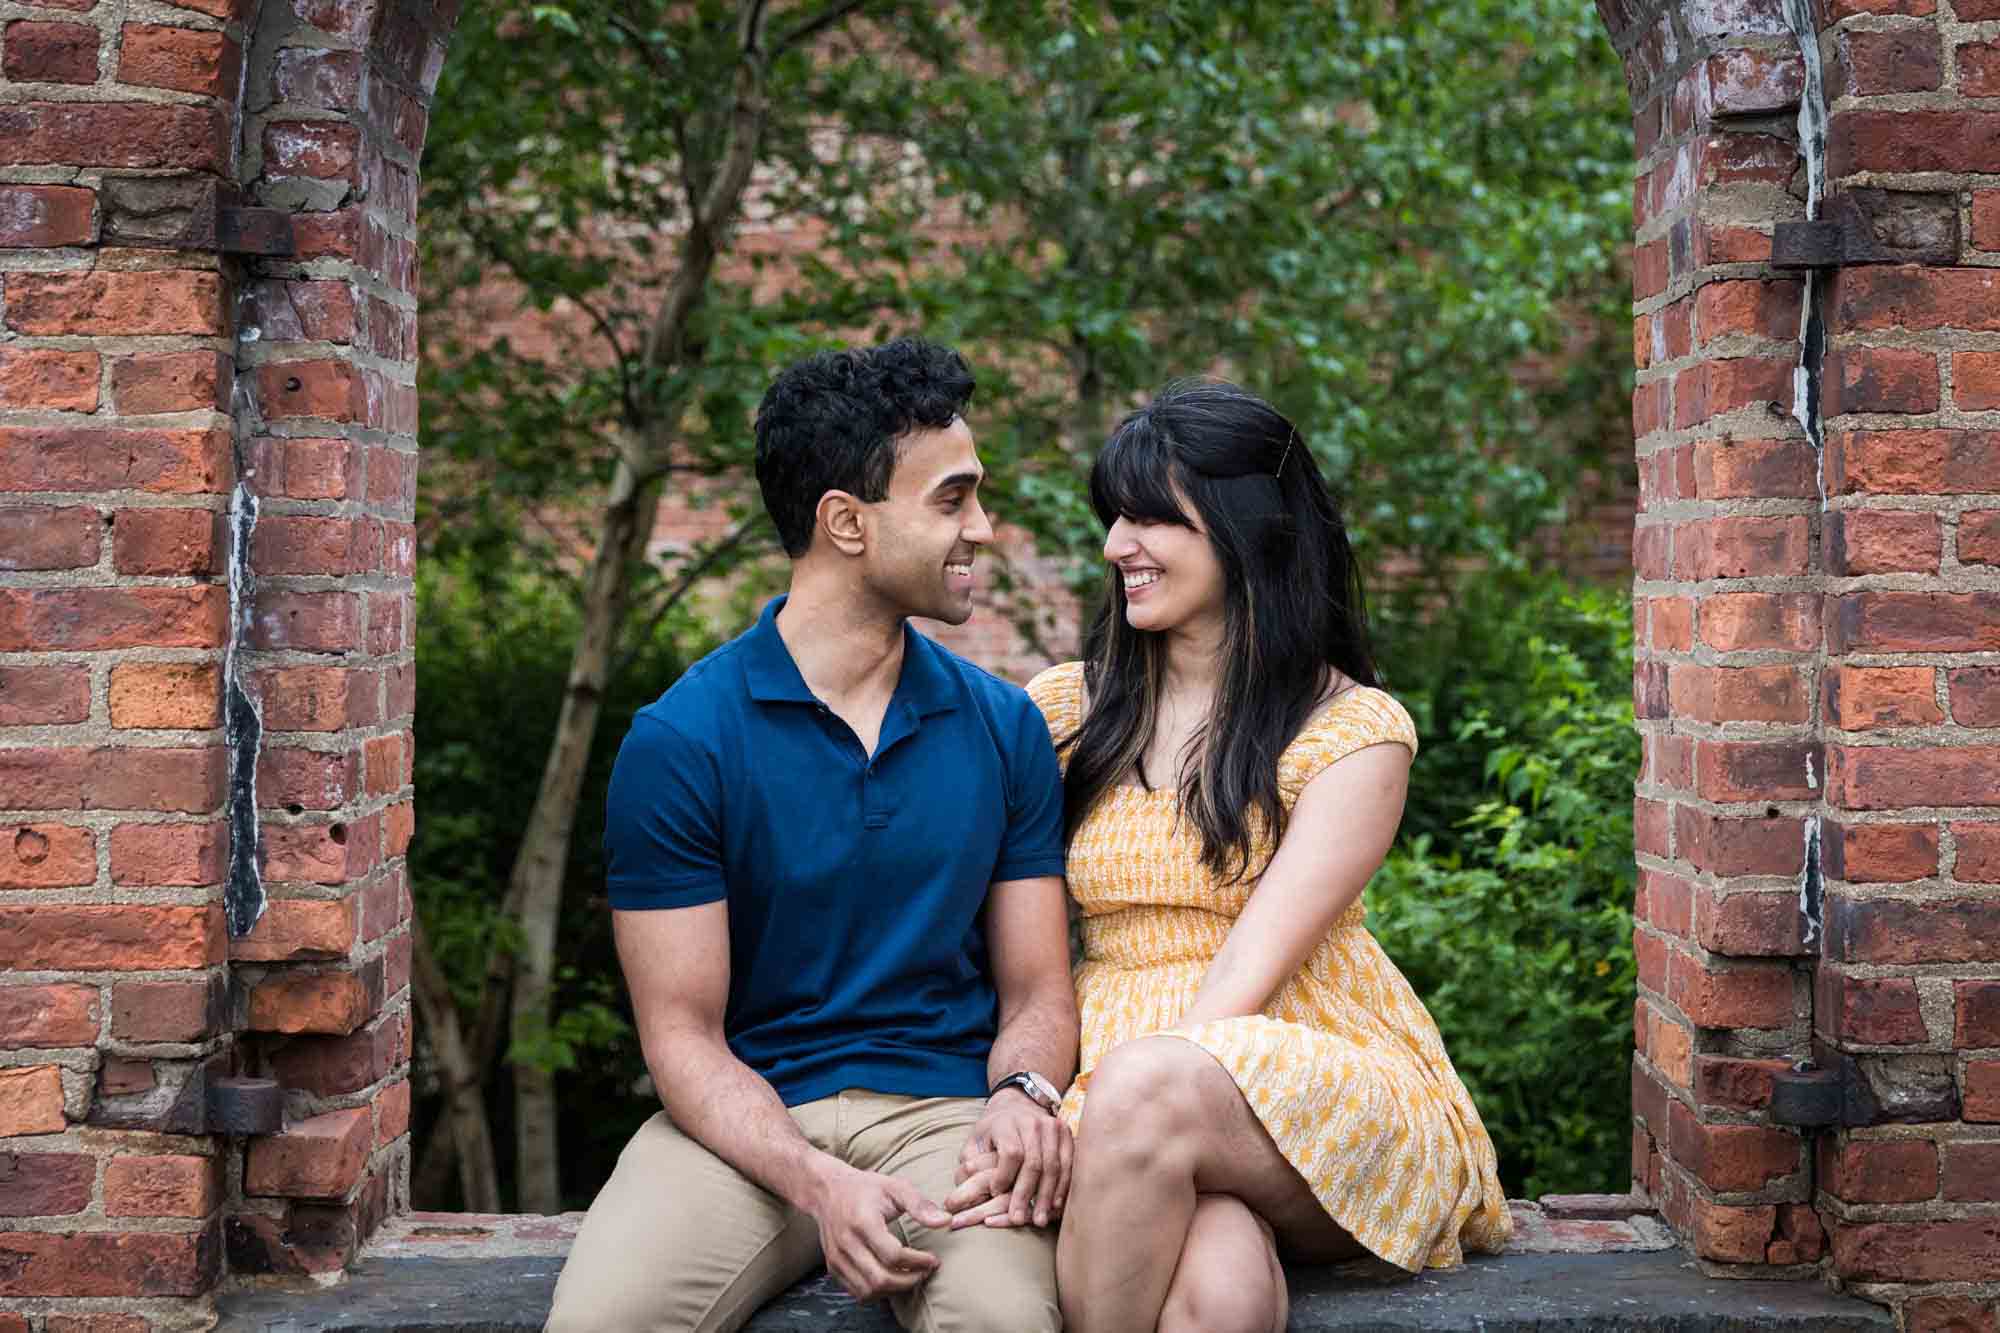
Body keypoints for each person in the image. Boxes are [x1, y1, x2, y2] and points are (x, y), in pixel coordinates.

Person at [951, 380, 1511, 1333]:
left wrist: (1084, 1115)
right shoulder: (1063, 712)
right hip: (1146, 1107)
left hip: (1306, 1072)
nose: (1115, 545)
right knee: (1224, 1296)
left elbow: (1241, 983)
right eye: (1115, 516)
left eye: (1149, 517)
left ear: (1246, 528)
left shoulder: (1350, 730)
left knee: (1148, 1086)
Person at [545, 338, 1077, 1333]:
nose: (985, 529)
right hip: (745, 1126)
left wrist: (1022, 1094)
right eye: (952, 500)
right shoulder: (683, 741)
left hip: (948, 1122)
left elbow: (1038, 989)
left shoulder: (1004, 729)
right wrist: (815, 1180)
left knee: (1003, 1322)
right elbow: (681, 1040)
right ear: (844, 521)